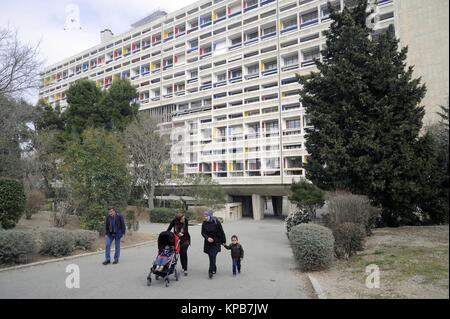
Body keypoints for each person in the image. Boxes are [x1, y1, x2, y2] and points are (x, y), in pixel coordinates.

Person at [201, 210, 226, 279]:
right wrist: (207, 238)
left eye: (206, 215)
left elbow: (221, 231)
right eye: (204, 215)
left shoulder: (216, 222)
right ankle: (214, 267)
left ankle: (210, 272)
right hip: (208, 243)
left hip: (216, 242)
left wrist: (223, 241)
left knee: (212, 255)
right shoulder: (204, 223)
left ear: (210, 215)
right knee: (211, 257)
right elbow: (202, 232)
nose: (205, 217)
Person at [167, 211, 191, 276]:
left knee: (184, 252)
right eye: (182, 219)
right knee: (180, 252)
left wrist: (182, 233)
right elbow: (169, 229)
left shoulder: (185, 220)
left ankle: (185, 269)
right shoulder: (174, 221)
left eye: (184, 218)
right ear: (178, 219)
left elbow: (186, 230)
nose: (184, 219)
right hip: (177, 240)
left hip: (185, 239)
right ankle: (183, 266)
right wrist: (167, 235)